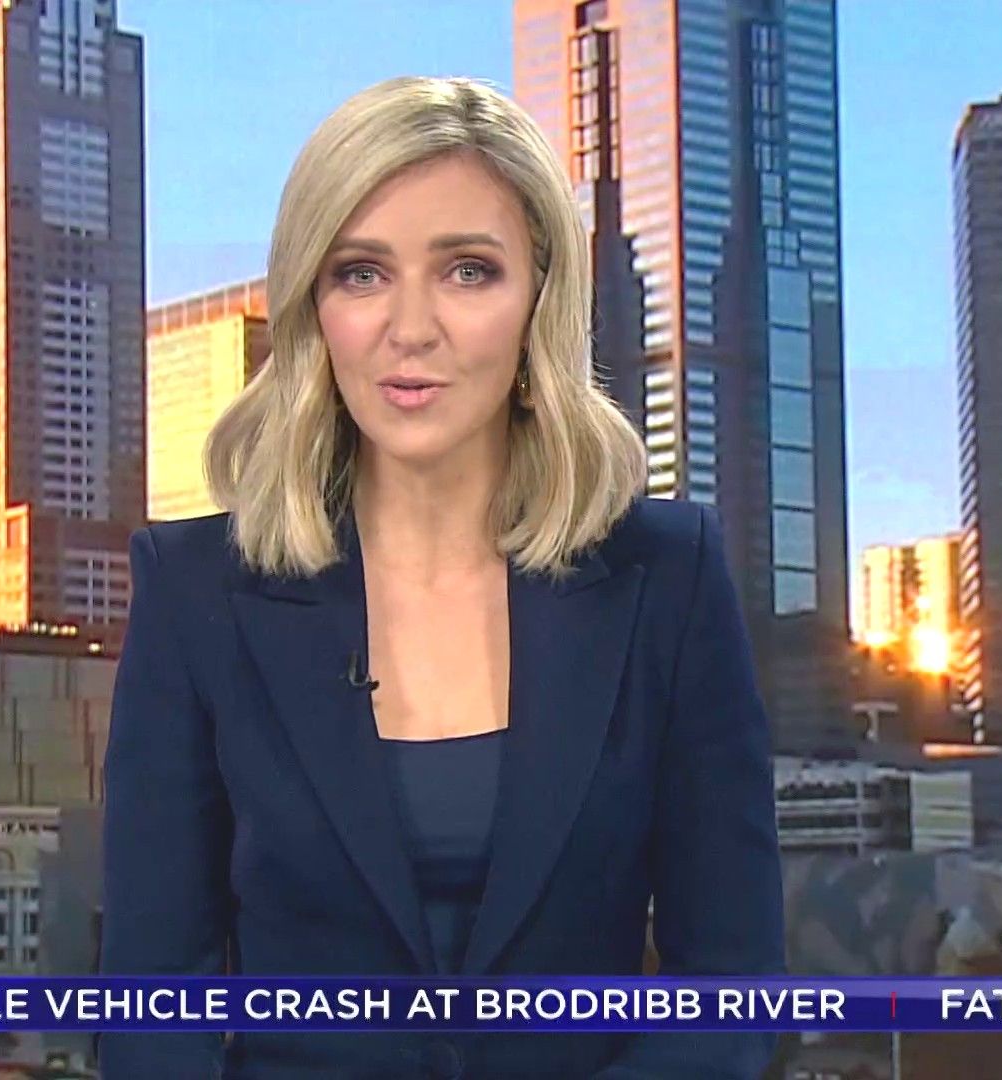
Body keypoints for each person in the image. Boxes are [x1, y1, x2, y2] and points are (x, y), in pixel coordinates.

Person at [101, 75, 783, 1079]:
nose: (410, 328)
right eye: (362, 274)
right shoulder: (194, 592)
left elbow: (730, 991)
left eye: (468, 272)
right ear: (313, 309)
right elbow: (152, 1008)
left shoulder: (667, 577)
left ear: (540, 301)